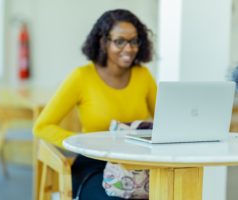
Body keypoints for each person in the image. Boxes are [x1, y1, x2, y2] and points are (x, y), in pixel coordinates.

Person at [33, 9, 157, 200]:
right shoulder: (82, 77)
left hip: (136, 167)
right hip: (94, 165)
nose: (129, 48)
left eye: (134, 41)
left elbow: (165, 121)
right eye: (119, 41)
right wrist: (82, 142)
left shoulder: (143, 76)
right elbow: (42, 127)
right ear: (103, 42)